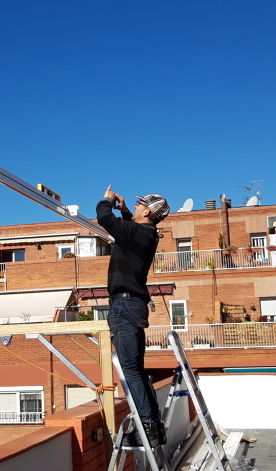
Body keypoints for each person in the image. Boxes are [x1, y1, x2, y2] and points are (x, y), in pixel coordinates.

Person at [96, 185, 170, 448]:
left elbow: (104, 219)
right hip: (132, 306)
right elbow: (129, 226)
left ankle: (147, 429)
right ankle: (155, 428)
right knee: (137, 370)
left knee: (131, 371)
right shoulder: (146, 234)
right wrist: (126, 210)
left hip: (125, 307)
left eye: (140, 205)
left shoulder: (138, 232)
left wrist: (106, 201)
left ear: (147, 210)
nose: (136, 206)